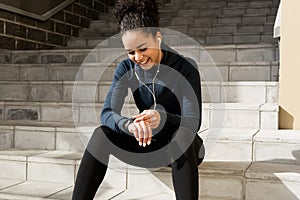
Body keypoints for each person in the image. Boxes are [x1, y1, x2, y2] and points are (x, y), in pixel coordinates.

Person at [72, 0, 205, 199]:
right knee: (101, 134)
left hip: (182, 148)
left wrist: (162, 117)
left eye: (143, 49)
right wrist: (129, 125)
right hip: (147, 143)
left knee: (183, 135)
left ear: (157, 38)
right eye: (131, 52)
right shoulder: (125, 69)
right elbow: (107, 113)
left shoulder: (185, 67)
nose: (137, 57)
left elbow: (193, 120)